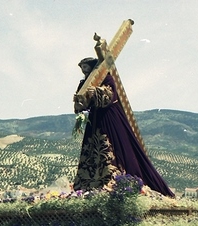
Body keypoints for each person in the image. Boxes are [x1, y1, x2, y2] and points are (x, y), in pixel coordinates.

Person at [72, 57, 175, 197]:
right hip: (94, 120)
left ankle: (113, 182)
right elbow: (82, 103)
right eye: (82, 68)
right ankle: (88, 185)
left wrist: (96, 92)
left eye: (85, 67)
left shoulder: (107, 79)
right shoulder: (84, 83)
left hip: (108, 118)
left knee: (108, 147)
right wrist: (79, 102)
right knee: (92, 150)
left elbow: (110, 95)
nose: (83, 71)